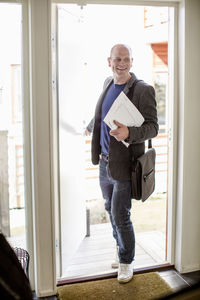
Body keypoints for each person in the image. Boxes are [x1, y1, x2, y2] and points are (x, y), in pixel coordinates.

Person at [85, 44, 158, 283]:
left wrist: (129, 133)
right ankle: (121, 249)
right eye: (117, 59)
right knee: (109, 209)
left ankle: (127, 261)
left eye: (126, 59)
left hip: (125, 165)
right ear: (109, 61)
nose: (122, 63)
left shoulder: (142, 90)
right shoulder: (107, 82)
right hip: (105, 163)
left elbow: (153, 127)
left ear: (131, 61)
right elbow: (103, 113)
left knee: (120, 214)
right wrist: (90, 126)